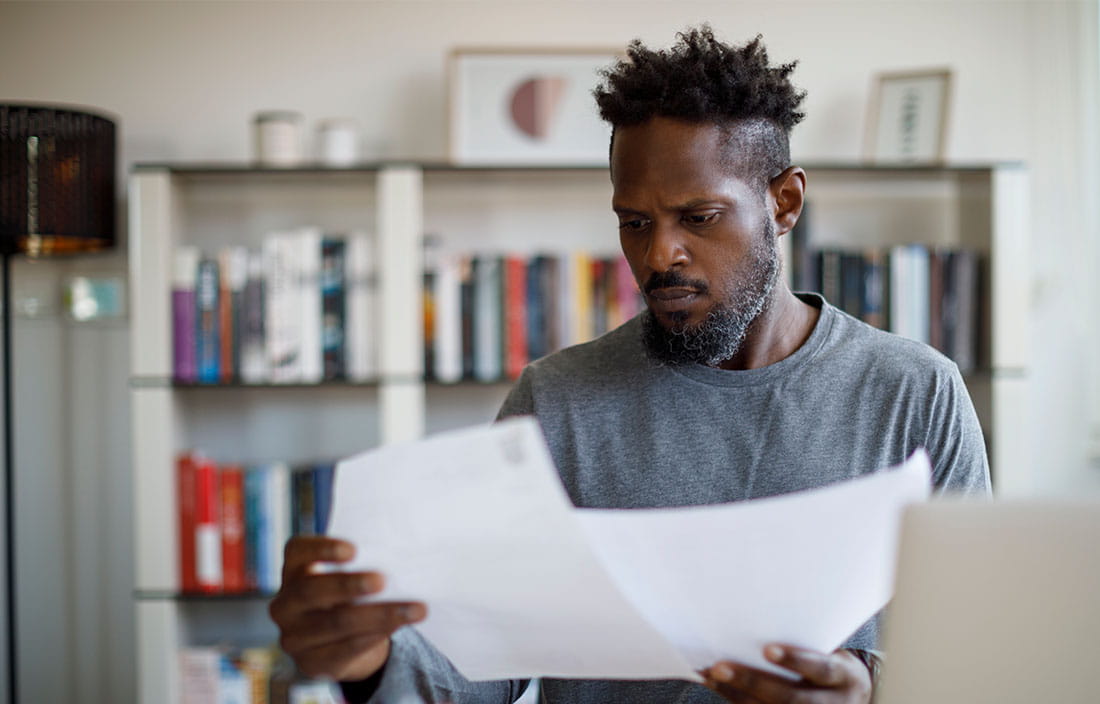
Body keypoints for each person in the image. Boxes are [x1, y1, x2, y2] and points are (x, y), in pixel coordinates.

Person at [269, 26, 990, 704]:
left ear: (784, 201)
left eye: (698, 217)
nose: (658, 255)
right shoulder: (557, 402)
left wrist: (867, 687)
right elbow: (469, 672)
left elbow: (976, 656)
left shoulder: (914, 393)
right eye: (634, 222)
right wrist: (368, 660)